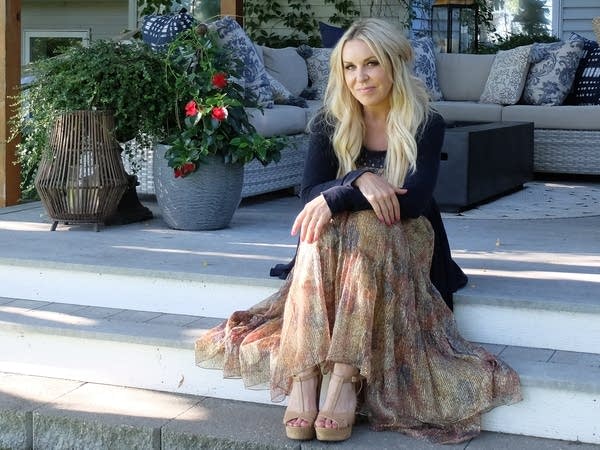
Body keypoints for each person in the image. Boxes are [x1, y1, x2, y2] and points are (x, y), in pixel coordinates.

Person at [195, 17, 522, 445]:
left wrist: (341, 192)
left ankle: (344, 379)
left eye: (371, 64)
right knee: (318, 233)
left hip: (405, 235)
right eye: (349, 67)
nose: (360, 77)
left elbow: (411, 202)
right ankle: (306, 373)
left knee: (367, 226)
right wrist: (357, 179)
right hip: (342, 241)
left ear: (393, 65)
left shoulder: (424, 122)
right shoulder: (330, 122)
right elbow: (309, 191)